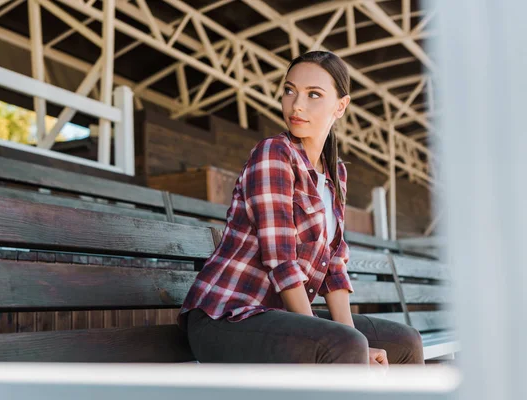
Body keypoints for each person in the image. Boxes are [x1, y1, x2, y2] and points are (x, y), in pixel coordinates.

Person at [176, 51, 424, 367]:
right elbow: (280, 258)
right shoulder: (274, 153)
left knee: (404, 343)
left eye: (314, 95)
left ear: (341, 106)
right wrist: (330, 336)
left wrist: (350, 337)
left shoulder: (336, 175)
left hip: (277, 316)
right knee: (341, 345)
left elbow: (334, 267)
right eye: (289, 90)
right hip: (226, 316)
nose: (296, 105)